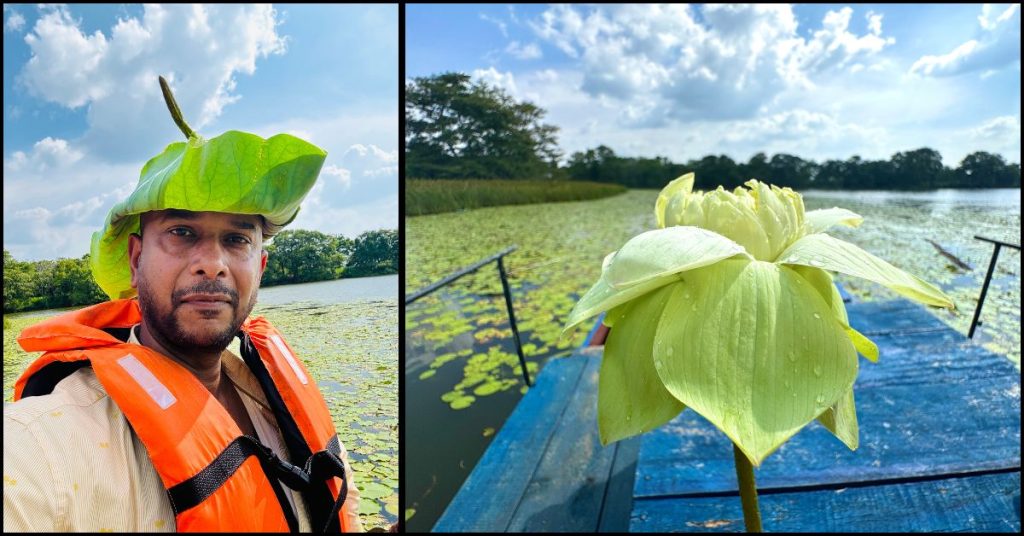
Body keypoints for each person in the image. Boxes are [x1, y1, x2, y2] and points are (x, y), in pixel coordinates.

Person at [3, 76, 363, 532]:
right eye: (182, 233)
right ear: (135, 261)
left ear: (262, 268)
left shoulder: (276, 400)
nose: (212, 264)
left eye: (236, 239)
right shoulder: (41, 443)